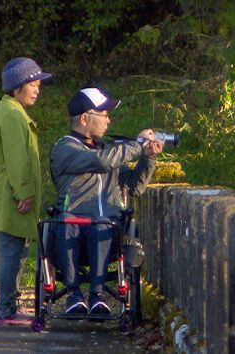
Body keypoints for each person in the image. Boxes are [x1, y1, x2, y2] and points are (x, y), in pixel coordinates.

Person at [50, 86, 163, 315]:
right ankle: (74, 295)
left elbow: (135, 186)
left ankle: (97, 295)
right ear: (84, 118)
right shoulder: (64, 149)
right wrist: (137, 144)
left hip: (106, 231)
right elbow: (101, 162)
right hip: (71, 232)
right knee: (67, 221)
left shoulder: (107, 152)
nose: (108, 121)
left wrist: (148, 158)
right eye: (104, 115)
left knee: (103, 223)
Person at [0, 57, 52, 326]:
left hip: (8, 197)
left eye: (38, 84)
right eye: (32, 83)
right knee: (12, 253)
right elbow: (17, 159)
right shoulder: (10, 114)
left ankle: (8, 306)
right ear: (17, 86)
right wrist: (24, 193)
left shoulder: (9, 110)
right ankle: (4, 309)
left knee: (16, 252)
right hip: (11, 198)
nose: (37, 89)